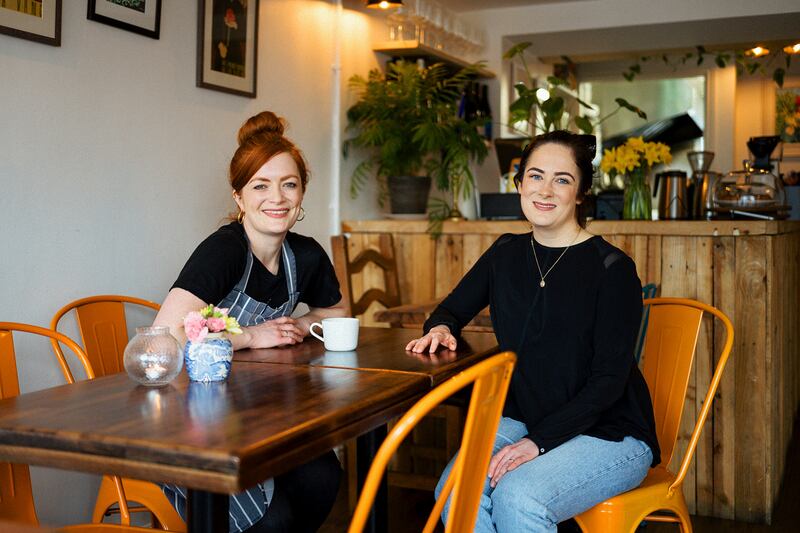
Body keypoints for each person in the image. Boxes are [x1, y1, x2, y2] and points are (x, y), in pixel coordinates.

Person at [406, 130, 661, 532]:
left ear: (580, 193)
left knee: (518, 497)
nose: (545, 190)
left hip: (610, 431)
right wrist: (440, 328)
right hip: (526, 416)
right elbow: (450, 310)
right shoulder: (505, 253)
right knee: (456, 490)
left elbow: (608, 383)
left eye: (562, 179)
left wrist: (538, 443)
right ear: (520, 183)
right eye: (536, 176)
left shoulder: (612, 269)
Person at [154, 111, 345, 533]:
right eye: (260, 185)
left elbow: (336, 313)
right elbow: (164, 341)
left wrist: (299, 325)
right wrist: (251, 337)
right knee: (271, 520)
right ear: (239, 197)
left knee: (323, 477)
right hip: (193, 425)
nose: (276, 197)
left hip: (261, 413)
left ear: (302, 193)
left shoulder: (305, 255)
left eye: (289, 184)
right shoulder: (223, 251)